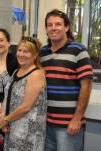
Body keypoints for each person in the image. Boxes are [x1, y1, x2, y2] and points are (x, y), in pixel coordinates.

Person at [41, 9, 93, 151]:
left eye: (58, 24)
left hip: (69, 125)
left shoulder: (79, 50)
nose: (53, 28)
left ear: (67, 27)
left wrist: (77, 118)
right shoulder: (43, 53)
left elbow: (86, 86)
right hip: (46, 124)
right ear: (46, 29)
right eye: (49, 25)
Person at [0, 36, 47, 151]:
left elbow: (26, 106)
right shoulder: (16, 71)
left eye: (26, 52)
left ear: (35, 56)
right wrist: (3, 114)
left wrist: (5, 120)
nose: (21, 54)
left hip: (29, 132)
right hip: (13, 127)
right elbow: (7, 95)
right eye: (19, 50)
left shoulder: (36, 74)